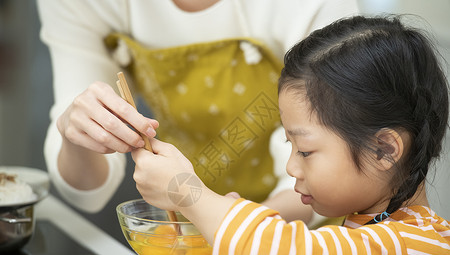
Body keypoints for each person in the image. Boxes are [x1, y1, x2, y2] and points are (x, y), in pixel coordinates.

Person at [131, 15, 450, 255]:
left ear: (384, 150)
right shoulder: (376, 231)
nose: (291, 166)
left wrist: (186, 191)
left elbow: (288, 254)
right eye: (290, 145)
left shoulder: (410, 253)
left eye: (306, 150)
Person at [37, 0, 359, 228]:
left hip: (309, 237)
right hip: (196, 235)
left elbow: (333, 162)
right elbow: (87, 196)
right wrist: (75, 129)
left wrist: (226, 222)